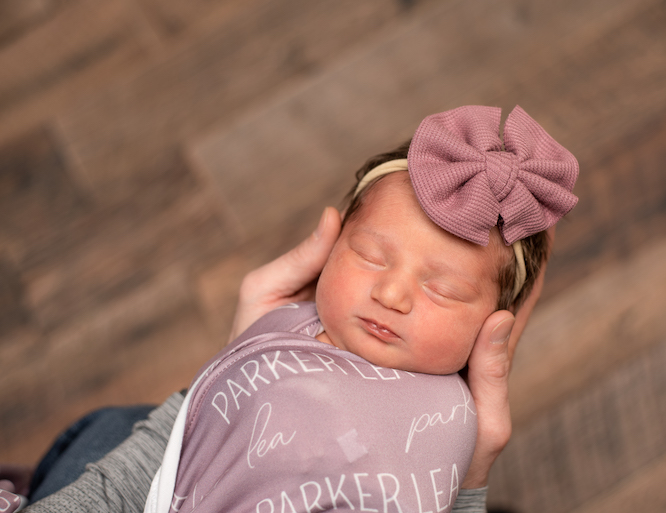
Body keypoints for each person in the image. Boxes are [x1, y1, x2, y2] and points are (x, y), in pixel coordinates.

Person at [7, 105, 574, 513]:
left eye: (444, 291)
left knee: (110, 426)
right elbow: (165, 458)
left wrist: (468, 483)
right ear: (332, 246)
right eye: (371, 256)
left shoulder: (457, 417)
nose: (392, 295)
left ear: (491, 324)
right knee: (111, 428)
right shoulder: (288, 328)